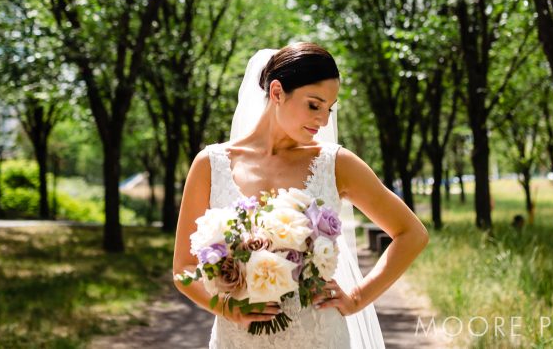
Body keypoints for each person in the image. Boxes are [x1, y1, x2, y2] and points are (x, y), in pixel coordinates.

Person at [173, 43, 430, 348]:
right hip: (238, 339)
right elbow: (184, 268)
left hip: (318, 336)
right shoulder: (210, 164)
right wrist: (227, 308)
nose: (322, 120)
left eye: (329, 108)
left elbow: (411, 233)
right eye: (314, 105)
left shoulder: (336, 163)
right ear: (277, 92)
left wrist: (358, 297)